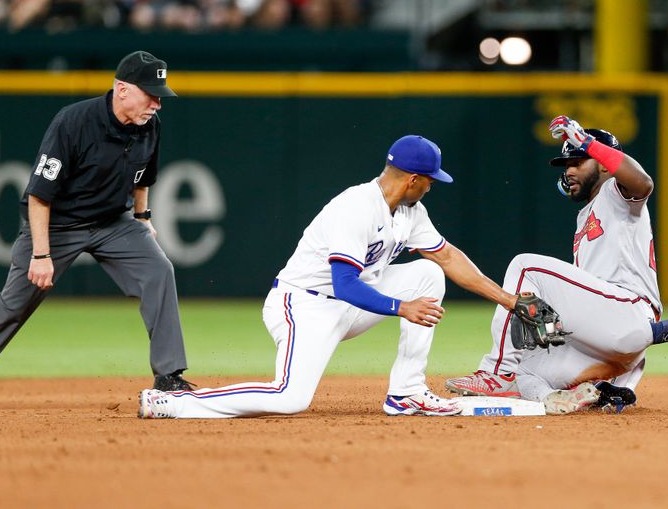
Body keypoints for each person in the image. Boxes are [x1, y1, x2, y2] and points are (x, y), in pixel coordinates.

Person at [138, 135, 526, 419]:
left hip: (352, 304)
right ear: (412, 179)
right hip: (304, 305)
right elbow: (344, 283)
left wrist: (511, 301)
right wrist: (400, 307)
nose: (432, 186)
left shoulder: (410, 213)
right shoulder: (356, 207)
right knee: (290, 398)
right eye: (430, 180)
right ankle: (174, 403)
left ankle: (407, 392)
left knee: (428, 272)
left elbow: (449, 258)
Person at [445, 115, 668, 414]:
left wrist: (589, 144)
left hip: (628, 312)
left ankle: (495, 372)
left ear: (604, 164)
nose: (569, 171)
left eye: (577, 162)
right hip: (610, 338)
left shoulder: (616, 195)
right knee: (526, 367)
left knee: (525, 266)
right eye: (566, 165)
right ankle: (568, 395)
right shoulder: (587, 215)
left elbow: (643, 182)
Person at [0, 50, 192, 392]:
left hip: (113, 223)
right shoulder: (74, 121)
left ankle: (168, 376)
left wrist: (142, 218)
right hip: (56, 225)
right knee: (14, 304)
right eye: (151, 95)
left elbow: (143, 178)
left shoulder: (149, 125)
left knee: (159, 270)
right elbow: (40, 195)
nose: (157, 105)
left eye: (160, 97)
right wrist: (41, 255)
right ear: (122, 89)